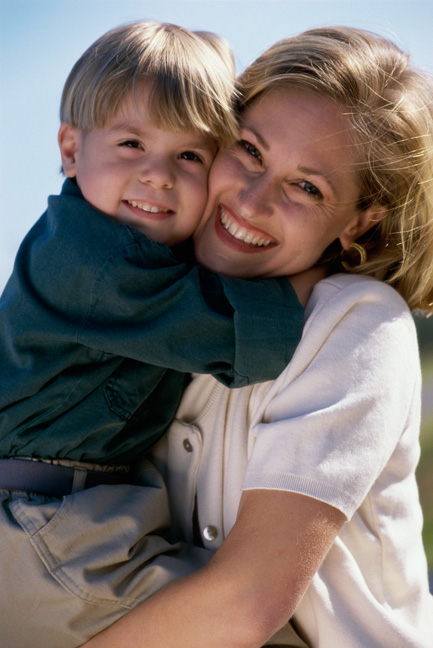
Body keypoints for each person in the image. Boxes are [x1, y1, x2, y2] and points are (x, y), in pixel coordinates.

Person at [83, 26, 433, 648]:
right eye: (248, 150)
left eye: (306, 187)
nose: (251, 198)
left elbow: (248, 601)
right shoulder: (154, 304)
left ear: (358, 221)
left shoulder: (359, 325)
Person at [0, 21, 308, 647]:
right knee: (244, 627)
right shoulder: (94, 264)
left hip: (74, 519)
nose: (158, 175)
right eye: (132, 143)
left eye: (190, 155)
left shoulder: (131, 251)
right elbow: (234, 334)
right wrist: (323, 270)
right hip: (43, 526)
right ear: (69, 148)